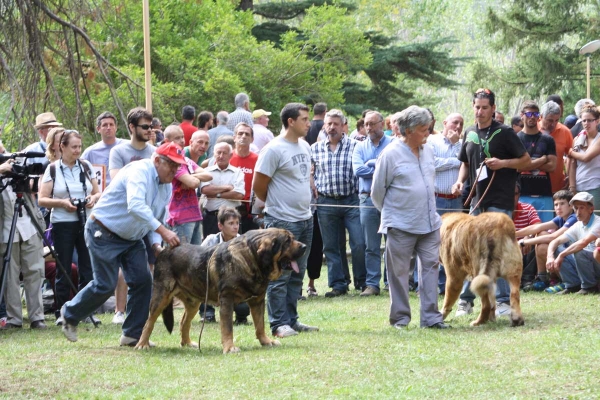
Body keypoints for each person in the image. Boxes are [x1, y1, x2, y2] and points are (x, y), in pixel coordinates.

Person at [59, 142, 184, 345]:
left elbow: (158, 218)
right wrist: (163, 232)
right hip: (103, 230)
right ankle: (70, 313)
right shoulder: (139, 171)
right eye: (171, 164)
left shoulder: (167, 185)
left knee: (143, 280)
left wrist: (156, 245)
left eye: (178, 166)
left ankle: (132, 335)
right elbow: (135, 205)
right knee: (105, 284)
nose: (175, 170)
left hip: (132, 238)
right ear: (157, 160)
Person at [451, 88, 530, 318]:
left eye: (485, 107)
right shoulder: (469, 132)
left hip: (500, 201)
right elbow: (465, 162)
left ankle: (503, 300)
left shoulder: (505, 132)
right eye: (477, 107)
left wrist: (503, 163)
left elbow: (525, 161)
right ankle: (466, 301)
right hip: (477, 201)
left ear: (493, 109)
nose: (480, 111)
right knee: (473, 251)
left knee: (497, 251)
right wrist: (458, 181)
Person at [371, 105, 448, 329]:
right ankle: (400, 319)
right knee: (399, 274)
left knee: (432, 269)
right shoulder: (390, 154)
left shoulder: (429, 150)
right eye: (424, 129)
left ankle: (431, 318)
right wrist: (392, 215)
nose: (427, 132)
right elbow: (377, 192)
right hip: (400, 224)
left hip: (430, 222)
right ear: (409, 130)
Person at [253, 102, 319, 338]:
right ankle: (279, 323)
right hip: (281, 222)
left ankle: (292, 320)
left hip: (305, 219)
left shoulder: (304, 146)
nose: (308, 123)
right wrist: (277, 207)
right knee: (279, 274)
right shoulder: (273, 149)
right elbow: (259, 186)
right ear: (290, 121)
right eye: (304, 119)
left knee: (297, 272)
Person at [38, 130, 102, 325]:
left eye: (79, 147)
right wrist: (62, 203)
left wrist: (92, 199)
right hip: (62, 223)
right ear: (62, 147)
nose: (77, 151)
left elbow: (98, 192)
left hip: (85, 221)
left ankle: (85, 310)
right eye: (73, 147)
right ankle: (62, 312)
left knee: (87, 267)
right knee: (63, 268)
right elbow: (42, 199)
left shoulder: (85, 166)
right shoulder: (53, 169)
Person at [108, 107, 156, 325]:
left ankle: (143, 310)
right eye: (145, 127)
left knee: (149, 267)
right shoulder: (118, 152)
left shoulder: (154, 152)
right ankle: (119, 310)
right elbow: (117, 180)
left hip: (147, 217)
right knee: (123, 269)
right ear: (131, 127)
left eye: (151, 126)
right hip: (124, 217)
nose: (149, 130)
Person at [311, 109, 366, 297]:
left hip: (351, 201)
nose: (332, 127)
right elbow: (310, 172)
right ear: (324, 126)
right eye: (329, 124)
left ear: (343, 126)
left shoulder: (355, 146)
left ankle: (362, 281)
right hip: (325, 202)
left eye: (336, 123)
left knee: (359, 242)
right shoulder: (315, 148)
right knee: (332, 246)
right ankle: (338, 284)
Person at [0, 161, 47, 330]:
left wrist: (28, 175)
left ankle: (37, 317)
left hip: (29, 227)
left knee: (35, 271)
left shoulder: (16, 169)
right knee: (10, 275)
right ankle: (14, 319)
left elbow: (35, 190)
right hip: (5, 231)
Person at [352, 111, 393, 296]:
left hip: (390, 198)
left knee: (393, 242)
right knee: (371, 245)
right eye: (366, 124)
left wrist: (372, 163)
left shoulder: (393, 145)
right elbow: (358, 170)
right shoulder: (360, 147)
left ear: (382, 124)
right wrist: (379, 166)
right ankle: (372, 284)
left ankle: (391, 282)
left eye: (372, 124)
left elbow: (393, 169)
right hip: (367, 198)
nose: (368, 127)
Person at [516, 190, 577, 292]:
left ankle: (565, 281)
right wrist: (514, 233)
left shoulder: (573, 218)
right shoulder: (560, 218)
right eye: (556, 204)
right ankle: (542, 278)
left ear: (571, 206)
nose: (558, 207)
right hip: (568, 257)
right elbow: (538, 227)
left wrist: (524, 242)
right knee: (541, 235)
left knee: (544, 244)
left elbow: (552, 237)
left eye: (562, 204)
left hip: (576, 261)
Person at [200, 206, 250, 325]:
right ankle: (207, 313)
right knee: (201, 283)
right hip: (213, 281)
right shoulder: (211, 240)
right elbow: (199, 261)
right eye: (231, 223)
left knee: (244, 299)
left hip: (236, 284)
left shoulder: (244, 242)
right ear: (220, 226)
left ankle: (241, 315)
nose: (235, 226)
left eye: (237, 223)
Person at [164, 125, 212, 245]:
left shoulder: (187, 160)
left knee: (196, 257)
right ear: (167, 141)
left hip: (194, 215)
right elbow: (194, 183)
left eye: (182, 137)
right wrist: (191, 179)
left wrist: (190, 177)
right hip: (180, 217)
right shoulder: (173, 162)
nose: (181, 141)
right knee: (181, 259)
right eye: (177, 138)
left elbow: (208, 175)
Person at [546, 192, 600, 295]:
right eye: (576, 208)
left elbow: (583, 243)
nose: (578, 212)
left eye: (582, 208)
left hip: (597, 264)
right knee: (557, 248)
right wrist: (550, 257)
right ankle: (572, 285)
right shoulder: (578, 224)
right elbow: (555, 241)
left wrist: (562, 255)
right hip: (586, 264)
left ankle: (589, 287)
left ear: (591, 209)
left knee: (579, 252)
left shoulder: (598, 222)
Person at [517, 101, 557, 222]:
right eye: (529, 114)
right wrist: (542, 159)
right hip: (522, 194)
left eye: (535, 114)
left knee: (546, 231)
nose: (532, 117)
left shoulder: (548, 139)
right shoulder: (516, 138)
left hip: (544, 193)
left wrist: (528, 164)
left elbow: (552, 166)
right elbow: (517, 167)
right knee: (523, 233)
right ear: (522, 115)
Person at [200, 142, 245, 238]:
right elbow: (205, 190)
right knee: (210, 248)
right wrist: (227, 188)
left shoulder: (237, 172)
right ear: (214, 154)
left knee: (234, 247)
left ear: (230, 155)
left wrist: (217, 195)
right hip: (212, 218)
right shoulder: (206, 171)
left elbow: (238, 195)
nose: (221, 156)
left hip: (232, 219)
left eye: (224, 153)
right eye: (218, 153)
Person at [229, 123, 259, 233]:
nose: (243, 136)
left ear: (252, 139)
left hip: (250, 211)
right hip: (230, 208)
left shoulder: (258, 159)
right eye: (240, 133)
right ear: (234, 137)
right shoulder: (226, 157)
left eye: (247, 134)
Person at [568, 105, 600, 206]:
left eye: (590, 120)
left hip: (595, 186)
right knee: (579, 219)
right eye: (584, 120)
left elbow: (586, 158)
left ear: (597, 121)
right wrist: (572, 187)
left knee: (595, 218)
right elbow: (572, 164)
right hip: (579, 186)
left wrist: (571, 152)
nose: (586, 123)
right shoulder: (577, 140)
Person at [539, 100, 573, 194]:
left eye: (556, 120)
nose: (553, 124)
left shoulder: (565, 132)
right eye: (550, 120)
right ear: (541, 117)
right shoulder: (532, 130)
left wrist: (570, 176)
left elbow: (571, 156)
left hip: (557, 187)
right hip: (532, 186)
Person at [81, 111, 123, 186]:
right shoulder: (90, 152)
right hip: (101, 194)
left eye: (111, 125)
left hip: (123, 191)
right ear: (98, 129)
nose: (109, 128)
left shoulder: (126, 146)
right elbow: (78, 170)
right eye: (105, 125)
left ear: (116, 127)